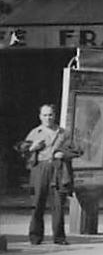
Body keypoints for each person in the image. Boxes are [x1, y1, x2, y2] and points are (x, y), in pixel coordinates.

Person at [17, 104, 79, 246]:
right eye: (45, 115)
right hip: (40, 168)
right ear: (40, 116)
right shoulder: (35, 132)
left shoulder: (64, 133)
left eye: (50, 114)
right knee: (38, 202)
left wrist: (64, 154)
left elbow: (77, 150)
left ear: (55, 115)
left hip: (58, 169)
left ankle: (59, 237)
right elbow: (22, 151)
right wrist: (33, 147)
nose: (48, 118)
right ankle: (35, 236)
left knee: (58, 204)